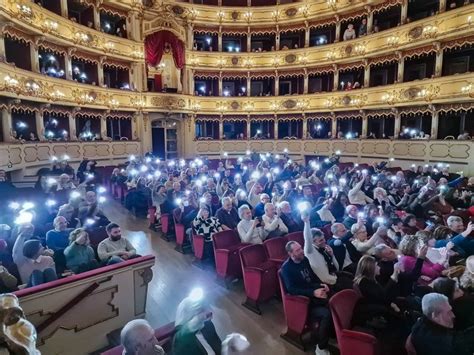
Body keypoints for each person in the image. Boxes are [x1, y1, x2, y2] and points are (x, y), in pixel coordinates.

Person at [280, 241, 331, 355]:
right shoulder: (286, 268)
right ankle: (321, 347)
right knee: (326, 313)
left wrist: (321, 285)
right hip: (304, 303)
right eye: (298, 250)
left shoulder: (304, 259)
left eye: (301, 248)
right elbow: (291, 290)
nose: (302, 251)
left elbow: (312, 277)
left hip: (313, 295)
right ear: (290, 253)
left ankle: (329, 332)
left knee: (334, 301)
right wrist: (313, 292)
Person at [172, 288, 222, 355]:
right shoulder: (179, 341)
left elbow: (218, 347)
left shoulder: (207, 325)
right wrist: (197, 320)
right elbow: (183, 336)